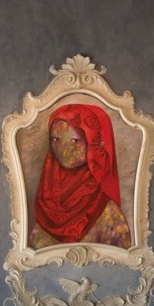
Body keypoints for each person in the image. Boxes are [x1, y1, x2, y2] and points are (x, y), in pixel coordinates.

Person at [30, 103, 131, 249]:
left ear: (94, 145)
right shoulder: (47, 201)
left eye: (75, 141)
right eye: (56, 140)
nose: (64, 150)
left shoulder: (108, 214)